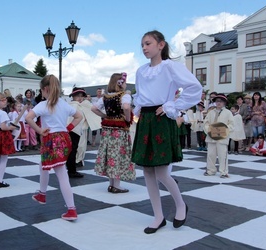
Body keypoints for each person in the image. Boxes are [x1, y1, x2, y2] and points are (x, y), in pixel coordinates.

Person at [131, 30, 202, 234]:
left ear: (160, 45)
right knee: (147, 171)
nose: (144, 47)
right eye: (142, 45)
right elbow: (141, 96)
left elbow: (194, 88)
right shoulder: (141, 71)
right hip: (145, 120)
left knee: (161, 171)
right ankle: (158, 216)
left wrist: (172, 104)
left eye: (148, 43)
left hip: (162, 119)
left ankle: (180, 205)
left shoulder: (170, 67)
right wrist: (134, 109)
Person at [26, 74, 82, 221]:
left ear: (45, 89)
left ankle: (71, 209)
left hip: (51, 139)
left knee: (61, 172)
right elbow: (79, 116)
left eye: (40, 91)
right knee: (44, 165)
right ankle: (42, 194)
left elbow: (28, 118)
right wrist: (68, 128)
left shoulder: (43, 105)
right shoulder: (63, 103)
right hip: (64, 138)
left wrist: (38, 130)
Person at [92, 72, 136, 193]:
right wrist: (127, 118)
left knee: (110, 154)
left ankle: (111, 184)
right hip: (119, 130)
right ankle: (116, 185)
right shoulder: (124, 95)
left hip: (107, 130)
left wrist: (105, 116)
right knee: (118, 154)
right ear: (120, 83)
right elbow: (126, 107)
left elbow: (93, 108)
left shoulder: (105, 97)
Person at [203, 93, 234, 178]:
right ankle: (210, 170)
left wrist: (223, 130)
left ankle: (223, 171)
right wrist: (209, 130)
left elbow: (232, 124)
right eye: (217, 101)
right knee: (210, 154)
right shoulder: (211, 112)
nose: (219, 103)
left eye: (221, 101)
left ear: (224, 103)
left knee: (222, 155)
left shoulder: (228, 113)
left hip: (222, 137)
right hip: (211, 136)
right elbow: (206, 123)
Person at [66, 87, 86, 178]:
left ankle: (71, 169)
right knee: (72, 151)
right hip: (73, 130)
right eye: (78, 96)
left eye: (81, 96)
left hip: (73, 130)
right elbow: (70, 119)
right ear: (73, 96)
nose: (80, 98)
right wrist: (69, 129)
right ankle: (71, 170)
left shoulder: (72, 105)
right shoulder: (75, 105)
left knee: (72, 150)